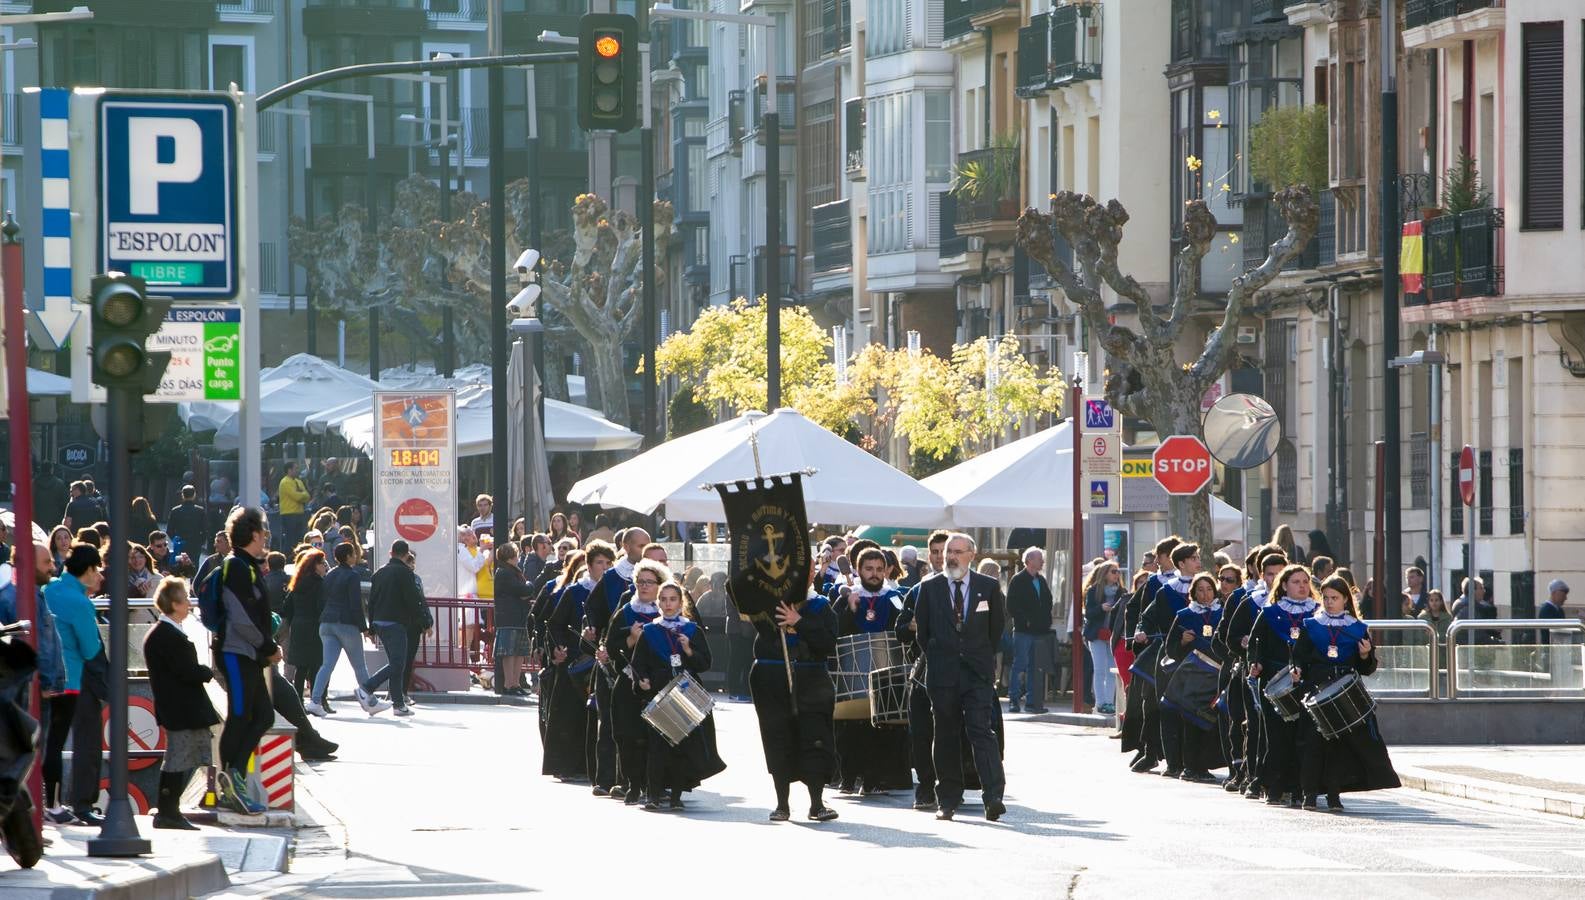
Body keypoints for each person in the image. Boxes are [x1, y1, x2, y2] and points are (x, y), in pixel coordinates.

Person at [911, 533, 1006, 823]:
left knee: (981, 730)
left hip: (976, 672)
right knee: (946, 734)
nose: (950, 557)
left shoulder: (988, 587)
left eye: (957, 551)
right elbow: (923, 634)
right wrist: (944, 656)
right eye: (948, 551)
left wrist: (975, 655)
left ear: (971, 555)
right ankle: (948, 799)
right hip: (942, 673)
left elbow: (996, 630)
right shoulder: (929, 587)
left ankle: (993, 797)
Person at [1292, 575, 1401, 810]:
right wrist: (1297, 668)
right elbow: (1299, 655)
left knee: (1339, 746)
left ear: (1345, 600)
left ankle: (1334, 794)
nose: (1330, 602)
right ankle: (1309, 793)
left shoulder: (1357, 628)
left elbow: (1368, 668)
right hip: (1316, 689)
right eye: (1326, 597)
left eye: (1335, 598)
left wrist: (1364, 655)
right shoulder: (1312, 625)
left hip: (1345, 691)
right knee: (1313, 743)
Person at [750, 563, 841, 823]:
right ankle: (782, 804)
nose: (804, 576)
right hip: (772, 677)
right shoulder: (769, 603)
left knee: (816, 737)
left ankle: (816, 803)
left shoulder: (822, 606)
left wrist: (799, 621)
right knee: (778, 737)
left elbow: (827, 643)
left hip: (811, 678)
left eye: (809, 571)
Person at [630, 579, 724, 811]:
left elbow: (705, 663)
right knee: (657, 747)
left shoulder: (692, 629)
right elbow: (637, 663)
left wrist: (689, 650)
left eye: (673, 599)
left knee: (681, 746)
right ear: (658, 602)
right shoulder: (650, 630)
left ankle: (676, 797)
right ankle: (652, 794)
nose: (668, 604)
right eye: (663, 599)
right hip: (659, 691)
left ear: (681, 603)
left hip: (685, 690)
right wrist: (641, 680)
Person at [210, 507, 280, 815]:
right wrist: (267, 645)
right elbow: (240, 617)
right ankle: (229, 782)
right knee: (239, 715)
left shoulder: (248, 565)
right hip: (237, 653)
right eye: (264, 531)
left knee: (263, 716)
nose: (266, 536)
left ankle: (233, 773)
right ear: (253, 534)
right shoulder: (237, 566)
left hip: (248, 654)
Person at [143, 577, 223, 830]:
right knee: (178, 759)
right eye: (186, 599)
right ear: (174, 603)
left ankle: (170, 810)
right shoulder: (166, 635)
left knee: (182, 757)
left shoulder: (167, 633)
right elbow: (185, 671)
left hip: (178, 706)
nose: (189, 604)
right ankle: (168, 811)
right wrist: (206, 672)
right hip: (178, 708)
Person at [833, 546, 909, 797]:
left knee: (881, 727)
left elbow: (904, 629)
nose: (874, 574)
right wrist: (849, 609)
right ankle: (848, 776)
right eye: (869, 569)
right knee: (851, 727)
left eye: (879, 569)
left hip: (886, 671)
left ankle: (874, 778)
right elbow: (833, 630)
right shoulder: (846, 596)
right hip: (853, 674)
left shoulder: (894, 597)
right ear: (858, 570)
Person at [47, 542, 111, 825]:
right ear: (87, 570)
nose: (98, 575)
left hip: (45, 678)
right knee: (87, 740)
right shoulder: (80, 602)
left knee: (50, 744)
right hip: (75, 678)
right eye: (96, 569)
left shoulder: (48, 589)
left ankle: (50, 803)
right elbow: (89, 648)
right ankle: (83, 804)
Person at [1, 545, 67, 822]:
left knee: (30, 755)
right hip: (26, 689)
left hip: (38, 687)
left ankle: (29, 821)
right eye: (46, 562)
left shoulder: (34, 595)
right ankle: (24, 822)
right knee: (23, 756)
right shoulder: (15, 598)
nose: (52, 567)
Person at [1248, 562, 1319, 808]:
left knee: (1302, 736)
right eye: (1296, 582)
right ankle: (1274, 786)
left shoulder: (1318, 613)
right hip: (1273, 679)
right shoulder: (1269, 613)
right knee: (1276, 736)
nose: (1302, 586)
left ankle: (1299, 787)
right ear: (1285, 586)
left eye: (1305, 582)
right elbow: (1256, 645)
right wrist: (1255, 662)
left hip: (1306, 681)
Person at [895, 528, 950, 811]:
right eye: (937, 552)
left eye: (947, 551)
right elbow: (900, 630)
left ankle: (951, 785)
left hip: (956, 670)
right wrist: (913, 626)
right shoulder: (918, 590)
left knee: (953, 731)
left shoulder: (967, 587)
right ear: (930, 555)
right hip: (923, 669)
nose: (942, 557)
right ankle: (926, 786)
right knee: (921, 732)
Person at [1120, 535, 1181, 774]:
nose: (1157, 561)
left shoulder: (1196, 584)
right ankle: (1150, 750)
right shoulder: (1155, 583)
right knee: (1148, 700)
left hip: (1185, 650)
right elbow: (1137, 611)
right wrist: (1139, 635)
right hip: (1155, 649)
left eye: (1161, 557)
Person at [308, 542, 387, 717]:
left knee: (327, 664)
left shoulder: (330, 574)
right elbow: (355, 605)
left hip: (326, 622)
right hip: (345, 623)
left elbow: (323, 599)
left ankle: (314, 701)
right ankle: (370, 701)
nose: (356, 555)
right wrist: (364, 628)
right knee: (359, 665)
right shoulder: (352, 575)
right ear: (349, 556)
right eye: (353, 553)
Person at [1162, 572, 1226, 784]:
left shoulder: (1223, 613)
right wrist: (1182, 641)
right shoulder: (1184, 614)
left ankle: (1203, 765)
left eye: (1209, 589)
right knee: (1190, 720)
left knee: (1208, 721)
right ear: (1193, 593)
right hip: (1192, 676)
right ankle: (1190, 766)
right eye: (1200, 590)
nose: (1205, 594)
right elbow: (1170, 649)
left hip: (1216, 675)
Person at [361, 540, 432, 717]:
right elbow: (413, 600)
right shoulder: (405, 573)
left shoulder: (379, 573)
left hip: (380, 622)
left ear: (390, 553)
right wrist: (424, 622)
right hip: (397, 623)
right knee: (398, 663)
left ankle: (398, 704)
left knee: (396, 662)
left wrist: (371, 626)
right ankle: (367, 688)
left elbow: (372, 601)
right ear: (406, 554)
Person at [542, 549, 596, 779]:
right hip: (572, 661)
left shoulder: (612, 590)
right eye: (599, 562)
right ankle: (566, 765)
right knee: (569, 715)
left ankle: (591, 766)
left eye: (607, 562)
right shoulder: (570, 592)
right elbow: (551, 623)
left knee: (591, 718)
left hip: (598, 661)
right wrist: (556, 648)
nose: (603, 567)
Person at [1009, 548, 1057, 715]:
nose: (1042, 562)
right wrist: (1026, 621)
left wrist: (1046, 620)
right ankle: (1014, 699)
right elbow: (1012, 606)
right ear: (1029, 560)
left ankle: (1032, 702)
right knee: (1019, 665)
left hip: (1040, 631)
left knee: (1035, 667)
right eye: (1039, 559)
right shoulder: (1018, 580)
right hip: (1023, 631)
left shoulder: (1041, 580)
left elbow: (1048, 601)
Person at [282, 549, 328, 700]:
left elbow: (286, 607)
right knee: (316, 664)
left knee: (301, 666)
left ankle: (298, 700)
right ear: (315, 565)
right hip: (314, 626)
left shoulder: (297, 582)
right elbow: (321, 606)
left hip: (298, 625)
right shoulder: (319, 584)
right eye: (322, 563)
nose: (325, 567)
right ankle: (317, 699)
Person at [492, 542, 533, 696]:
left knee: (519, 651)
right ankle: (509, 684)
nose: (517, 558)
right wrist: (529, 585)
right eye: (515, 555)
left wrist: (525, 591)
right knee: (510, 652)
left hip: (517, 616)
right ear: (510, 557)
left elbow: (522, 592)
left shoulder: (511, 572)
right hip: (509, 617)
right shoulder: (505, 573)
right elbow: (521, 590)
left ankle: (515, 683)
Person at [1079, 558, 1119, 716]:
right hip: (1096, 634)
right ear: (1105, 573)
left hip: (1112, 635)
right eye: (1113, 572)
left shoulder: (1121, 592)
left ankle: (1109, 701)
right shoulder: (1093, 591)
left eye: (1118, 572)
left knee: (1111, 670)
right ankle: (1101, 703)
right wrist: (1101, 608)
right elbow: (1088, 613)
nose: (1116, 575)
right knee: (1099, 669)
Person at [166, 485, 208, 560]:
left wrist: (176, 540)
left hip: (180, 543)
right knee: (194, 565)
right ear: (194, 495)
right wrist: (200, 542)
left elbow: (169, 530)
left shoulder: (175, 511)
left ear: (182, 495)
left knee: (179, 565)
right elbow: (205, 529)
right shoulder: (200, 511)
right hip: (195, 543)